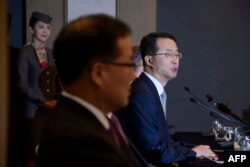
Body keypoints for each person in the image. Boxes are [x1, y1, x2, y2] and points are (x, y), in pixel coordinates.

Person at [35, 14, 149, 167]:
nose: (132, 75)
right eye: (127, 65)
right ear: (98, 73)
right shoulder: (80, 140)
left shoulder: (99, 119)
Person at [116, 32, 218, 166]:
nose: (175, 60)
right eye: (168, 54)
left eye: (177, 54)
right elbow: (154, 150)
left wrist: (192, 149)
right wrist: (193, 153)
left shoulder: (149, 89)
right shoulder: (141, 94)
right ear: (149, 60)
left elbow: (162, 142)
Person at [18, 11, 62, 167]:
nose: (45, 31)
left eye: (48, 28)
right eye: (41, 27)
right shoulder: (25, 52)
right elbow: (22, 83)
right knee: (31, 156)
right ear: (31, 29)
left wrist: (59, 99)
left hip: (50, 112)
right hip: (32, 111)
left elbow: (57, 79)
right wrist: (42, 101)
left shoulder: (51, 53)